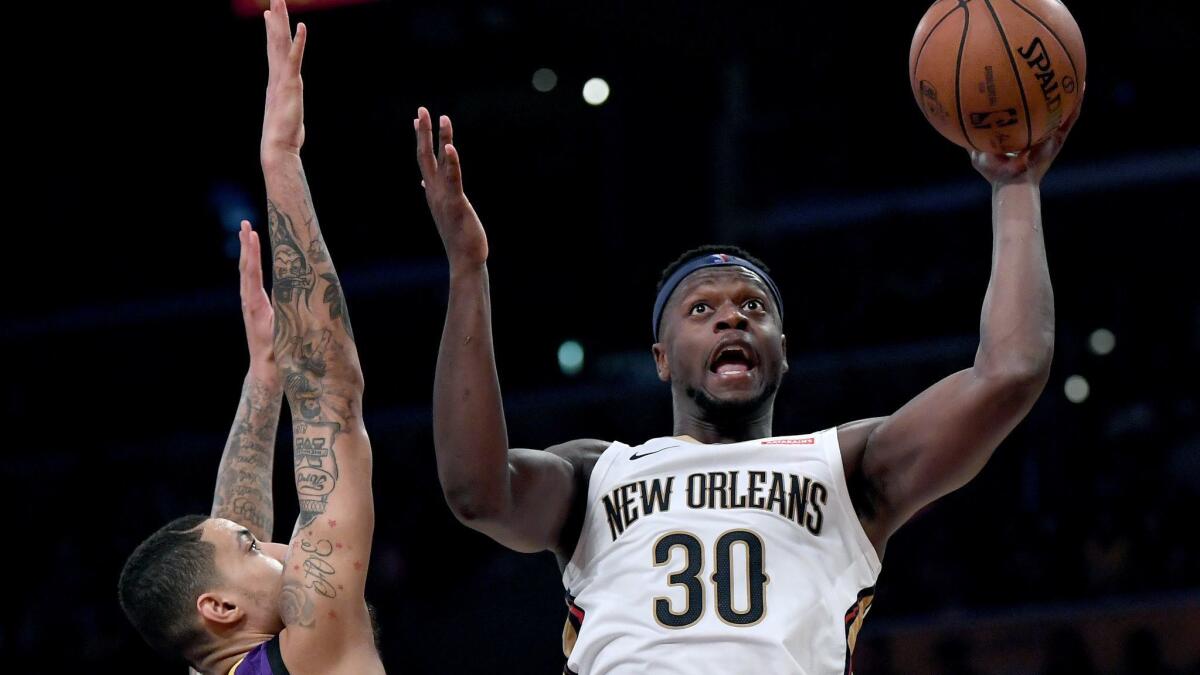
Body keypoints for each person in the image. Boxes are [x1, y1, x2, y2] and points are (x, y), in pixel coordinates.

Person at [417, 81, 1082, 673]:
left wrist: (1015, 187)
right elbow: (477, 490)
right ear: (661, 357)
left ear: (782, 351)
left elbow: (1011, 371)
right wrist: (467, 270)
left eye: (753, 308)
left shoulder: (844, 466)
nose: (731, 319)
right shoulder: (598, 473)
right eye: (702, 308)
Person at [119, 2, 382, 672]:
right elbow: (330, 395)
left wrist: (264, 380)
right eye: (250, 546)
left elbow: (224, 539)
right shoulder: (313, 642)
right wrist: (282, 161)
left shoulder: (215, 656)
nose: (274, 544)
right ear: (220, 609)